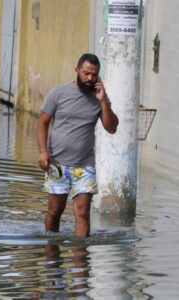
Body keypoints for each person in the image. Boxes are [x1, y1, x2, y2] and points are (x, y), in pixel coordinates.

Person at [36, 53, 119, 237]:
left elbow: (111, 128)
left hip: (85, 166)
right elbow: (42, 122)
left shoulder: (99, 98)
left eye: (94, 74)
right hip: (57, 164)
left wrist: (103, 101)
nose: (90, 78)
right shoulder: (59, 93)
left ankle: (80, 261)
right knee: (54, 212)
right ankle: (51, 253)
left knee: (82, 213)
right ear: (77, 71)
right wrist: (43, 151)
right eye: (86, 73)